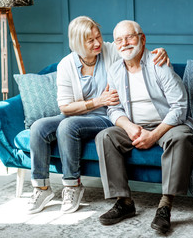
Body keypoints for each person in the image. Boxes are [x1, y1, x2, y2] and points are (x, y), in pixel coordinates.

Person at [28, 16, 170, 215]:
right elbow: (65, 108)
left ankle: (72, 186)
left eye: (98, 37)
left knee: (68, 127)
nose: (98, 43)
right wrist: (97, 101)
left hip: (106, 116)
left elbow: (134, 48)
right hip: (81, 113)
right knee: (38, 128)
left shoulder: (110, 50)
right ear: (77, 43)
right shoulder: (66, 66)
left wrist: (160, 51)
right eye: (90, 40)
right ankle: (42, 188)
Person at [95, 20, 193, 234]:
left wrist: (154, 135)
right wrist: (129, 127)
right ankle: (124, 202)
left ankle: (165, 205)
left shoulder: (158, 63)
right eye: (119, 40)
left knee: (181, 137)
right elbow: (113, 108)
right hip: (136, 125)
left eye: (129, 37)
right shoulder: (114, 70)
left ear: (142, 38)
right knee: (105, 136)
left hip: (168, 124)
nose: (125, 43)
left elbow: (180, 106)